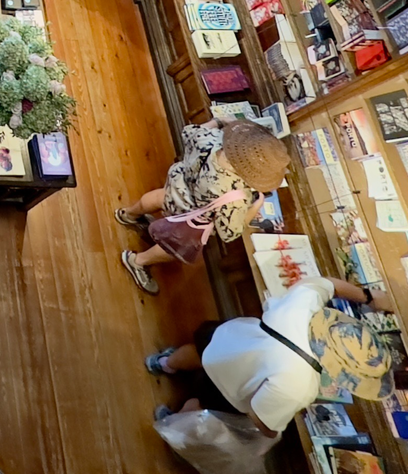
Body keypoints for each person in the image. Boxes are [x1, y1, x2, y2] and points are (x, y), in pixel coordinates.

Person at [148, 274, 379, 432]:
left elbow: (328, 284)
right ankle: (172, 421)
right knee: (202, 403)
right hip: (231, 389)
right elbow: (261, 418)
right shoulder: (304, 386)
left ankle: (165, 363)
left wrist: (368, 297)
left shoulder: (303, 307)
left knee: (199, 350)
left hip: (227, 339)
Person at [116, 119, 294, 294]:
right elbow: (229, 232)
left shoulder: (213, 140)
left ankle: (128, 214)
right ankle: (137, 261)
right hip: (190, 215)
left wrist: (217, 121)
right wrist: (256, 206)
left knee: (157, 197)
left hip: (178, 184)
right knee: (174, 245)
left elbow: (189, 132)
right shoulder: (237, 198)